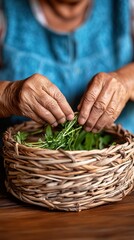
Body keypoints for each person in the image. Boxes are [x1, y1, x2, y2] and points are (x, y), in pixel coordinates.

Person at [0, 0, 134, 135]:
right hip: (21, 155)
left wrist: (125, 81)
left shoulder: (127, 5)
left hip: (123, 152)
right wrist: (8, 95)